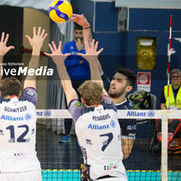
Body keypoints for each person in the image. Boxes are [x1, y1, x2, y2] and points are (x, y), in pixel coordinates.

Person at [45, 39, 127, 181]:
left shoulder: (80, 115)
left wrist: (59, 63)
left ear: (82, 101)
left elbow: (68, 87)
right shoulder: (111, 110)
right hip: (119, 175)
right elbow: (99, 85)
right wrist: (93, 61)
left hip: (96, 176)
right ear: (102, 98)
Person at [71, 14, 136, 159]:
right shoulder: (103, 88)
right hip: (90, 163)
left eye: (119, 81)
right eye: (113, 79)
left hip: (110, 165)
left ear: (128, 89)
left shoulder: (128, 113)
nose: (113, 82)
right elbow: (92, 56)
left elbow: (125, 153)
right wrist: (86, 27)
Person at [0, 28, 47, 181]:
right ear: (21, 93)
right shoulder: (29, 104)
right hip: (32, 170)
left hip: (8, 172)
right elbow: (32, 74)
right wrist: (36, 49)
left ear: (0, 94)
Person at [60, 23, 90, 143]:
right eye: (76, 33)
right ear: (73, 33)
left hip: (85, 81)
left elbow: (90, 65)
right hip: (71, 81)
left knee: (85, 107)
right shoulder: (68, 46)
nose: (78, 36)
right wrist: (80, 60)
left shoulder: (88, 47)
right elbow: (65, 63)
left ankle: (83, 135)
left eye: (80, 33)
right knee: (69, 106)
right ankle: (67, 134)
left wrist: (81, 52)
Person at [158, 68, 181, 144]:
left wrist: (175, 114)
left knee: (175, 121)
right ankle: (160, 139)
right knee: (159, 120)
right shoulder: (166, 88)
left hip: (180, 114)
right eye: (173, 76)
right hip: (168, 113)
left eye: (177, 76)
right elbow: (162, 105)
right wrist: (168, 114)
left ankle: (169, 138)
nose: (175, 78)